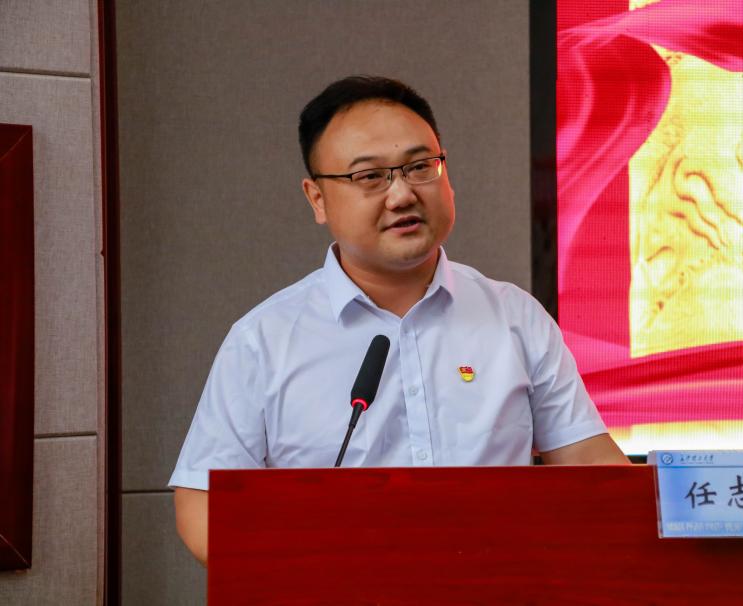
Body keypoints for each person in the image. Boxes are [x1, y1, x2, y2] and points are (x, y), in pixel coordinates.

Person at [170, 75, 629, 565]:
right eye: (370, 177)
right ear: (317, 198)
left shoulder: (514, 318)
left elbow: (593, 468)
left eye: (420, 167)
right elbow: (202, 503)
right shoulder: (263, 340)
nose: (402, 195)